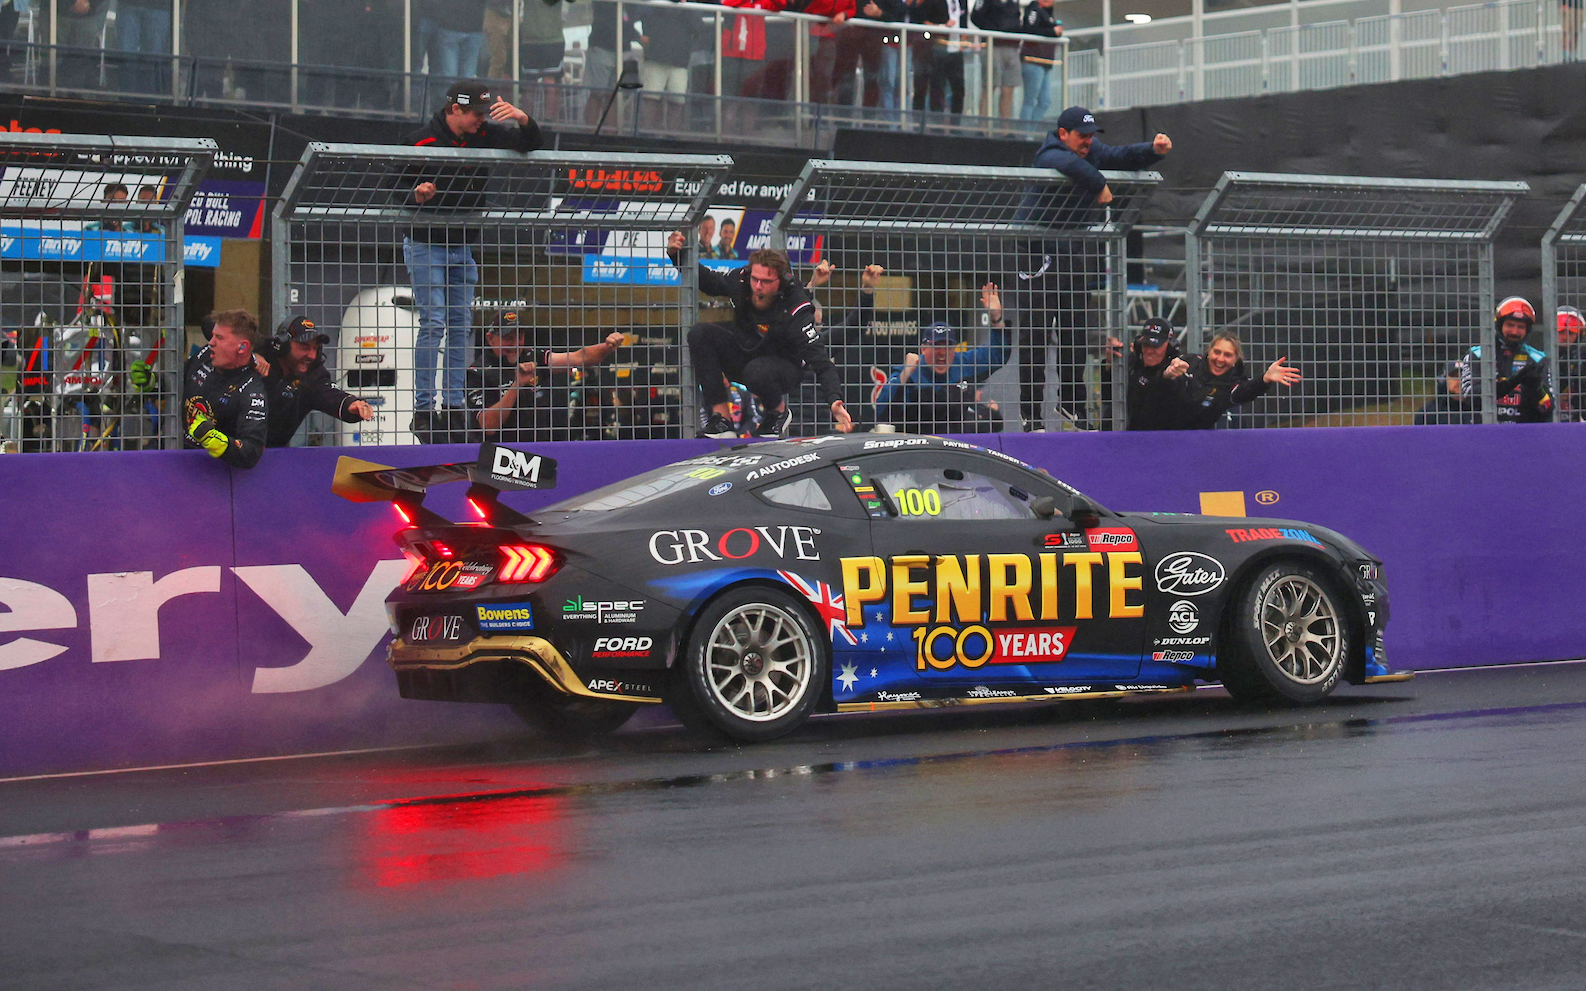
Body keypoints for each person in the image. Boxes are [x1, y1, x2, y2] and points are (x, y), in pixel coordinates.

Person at [400, 79, 542, 440]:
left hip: (463, 246)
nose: (482, 120)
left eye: (485, 113)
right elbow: (391, 186)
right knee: (433, 323)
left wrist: (522, 118)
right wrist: (416, 195)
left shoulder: (484, 134)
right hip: (425, 242)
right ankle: (422, 408)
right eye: (476, 114)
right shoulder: (420, 141)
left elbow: (531, 146)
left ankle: (454, 405)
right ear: (456, 110)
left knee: (461, 326)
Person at [1022, 106, 1171, 431]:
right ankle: (1031, 416)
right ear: (1063, 134)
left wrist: (1152, 150)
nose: (1088, 142)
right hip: (1037, 252)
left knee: (1075, 333)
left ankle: (1071, 408)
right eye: (1081, 135)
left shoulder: (1089, 150)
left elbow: (1119, 154)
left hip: (1071, 252)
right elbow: (1062, 163)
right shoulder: (1050, 151)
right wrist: (1098, 183)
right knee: (1035, 336)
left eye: (1091, 136)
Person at [667, 232, 852, 438]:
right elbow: (710, 281)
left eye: (766, 281)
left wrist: (835, 401)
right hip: (745, 355)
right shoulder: (742, 280)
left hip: (782, 369)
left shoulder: (795, 306)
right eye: (755, 279)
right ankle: (722, 420)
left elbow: (821, 361)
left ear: (781, 282)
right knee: (700, 332)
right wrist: (677, 255)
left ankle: (778, 412)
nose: (758, 286)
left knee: (757, 370)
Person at [467, 310, 625, 441]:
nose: (516, 344)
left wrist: (607, 346)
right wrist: (517, 385)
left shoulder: (533, 356)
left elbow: (579, 357)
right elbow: (488, 426)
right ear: (490, 339)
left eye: (520, 336)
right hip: (498, 457)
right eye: (508, 338)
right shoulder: (477, 372)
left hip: (538, 449)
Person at [874, 283, 1011, 433]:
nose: (942, 353)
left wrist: (996, 318)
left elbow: (997, 355)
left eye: (947, 347)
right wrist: (903, 376)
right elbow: (882, 409)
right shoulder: (910, 371)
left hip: (957, 441)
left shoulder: (963, 362)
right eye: (936, 347)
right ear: (923, 349)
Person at [253, 317, 374, 447]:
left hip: (272, 454)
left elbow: (330, 395)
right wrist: (250, 357)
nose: (312, 355)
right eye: (304, 347)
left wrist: (351, 405)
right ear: (283, 345)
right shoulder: (254, 356)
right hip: (232, 448)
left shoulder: (313, 375)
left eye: (315, 348)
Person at [181, 309, 267, 468]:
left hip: (213, 474)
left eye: (219, 338)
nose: (211, 342)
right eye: (213, 335)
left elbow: (252, 451)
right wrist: (152, 383)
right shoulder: (207, 354)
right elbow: (176, 383)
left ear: (242, 347)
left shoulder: (251, 389)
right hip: (176, 457)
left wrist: (215, 440)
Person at [1458, 296, 1555, 423]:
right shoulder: (1477, 355)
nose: (1515, 331)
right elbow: (1471, 398)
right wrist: (1512, 382)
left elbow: (1547, 409)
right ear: (1499, 324)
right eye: (1510, 325)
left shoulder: (1538, 359)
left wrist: (1536, 389)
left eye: (1520, 327)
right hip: (1485, 431)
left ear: (1527, 330)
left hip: (1525, 433)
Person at [1177, 331, 1302, 429]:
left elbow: (1246, 390)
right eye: (1217, 352)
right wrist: (1169, 373)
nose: (1220, 359)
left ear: (1236, 359)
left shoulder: (1234, 381)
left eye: (1227, 355)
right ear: (1209, 350)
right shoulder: (1190, 362)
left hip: (1202, 434)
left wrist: (1264, 379)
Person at [1124, 317, 1189, 431]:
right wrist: (1111, 363)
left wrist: (1167, 378)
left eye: (1155, 346)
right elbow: (1108, 395)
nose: (1149, 351)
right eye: (1145, 345)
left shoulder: (1175, 371)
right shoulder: (1131, 364)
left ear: (1170, 347)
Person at [971, 0, 1021, 120]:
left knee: (1008, 90)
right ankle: (982, 129)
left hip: (1012, 48)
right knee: (989, 88)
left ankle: (1005, 130)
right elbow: (975, 16)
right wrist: (994, 30)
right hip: (992, 46)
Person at [1018, 0, 1062, 121]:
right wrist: (1052, 32)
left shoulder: (1047, 13)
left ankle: (1032, 131)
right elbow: (1029, 29)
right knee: (1030, 100)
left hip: (1045, 62)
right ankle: (1025, 133)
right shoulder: (1034, 9)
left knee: (1045, 101)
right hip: (1033, 60)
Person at [1413, 360, 1478, 426]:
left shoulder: (1480, 408)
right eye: (1455, 377)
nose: (1460, 381)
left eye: (1464, 377)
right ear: (1443, 380)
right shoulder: (1430, 412)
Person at [1555, 305, 1584, 420]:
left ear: (1579, 336)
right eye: (1560, 332)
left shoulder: (1582, 361)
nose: (1565, 337)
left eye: (1570, 333)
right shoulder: (1540, 359)